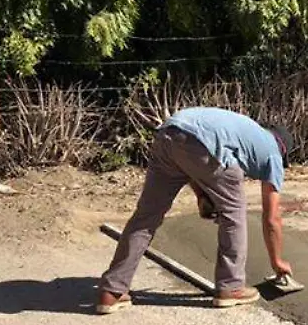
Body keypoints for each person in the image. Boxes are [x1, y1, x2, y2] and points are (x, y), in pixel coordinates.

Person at [97, 107, 295, 314]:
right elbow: (272, 218)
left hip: (168, 134)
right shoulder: (273, 153)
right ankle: (232, 287)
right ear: (283, 150)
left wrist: (201, 196)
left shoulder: (245, 130)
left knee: (147, 216)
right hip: (201, 143)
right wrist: (277, 262)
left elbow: (189, 155)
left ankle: (112, 291)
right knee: (234, 214)